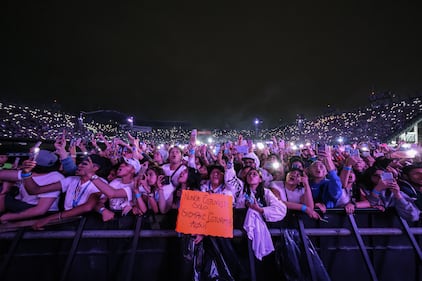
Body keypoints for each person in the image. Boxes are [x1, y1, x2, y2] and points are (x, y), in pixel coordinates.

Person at [20, 154, 111, 229]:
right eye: (80, 163)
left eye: (84, 164)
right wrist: (26, 173)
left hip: (85, 224)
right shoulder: (71, 180)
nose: (79, 166)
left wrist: (49, 219)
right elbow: (35, 190)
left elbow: (87, 207)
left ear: (95, 168)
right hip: (66, 220)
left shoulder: (101, 183)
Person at [0, 150, 64, 223]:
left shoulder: (55, 177)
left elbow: (40, 210)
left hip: (39, 212)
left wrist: (7, 217)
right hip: (21, 205)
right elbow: (2, 174)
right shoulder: (29, 173)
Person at [307, 145, 342, 213]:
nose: (318, 168)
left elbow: (336, 194)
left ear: (326, 170)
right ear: (310, 170)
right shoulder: (306, 183)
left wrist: (331, 171)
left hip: (329, 217)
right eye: (315, 166)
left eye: (321, 166)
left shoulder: (329, 183)